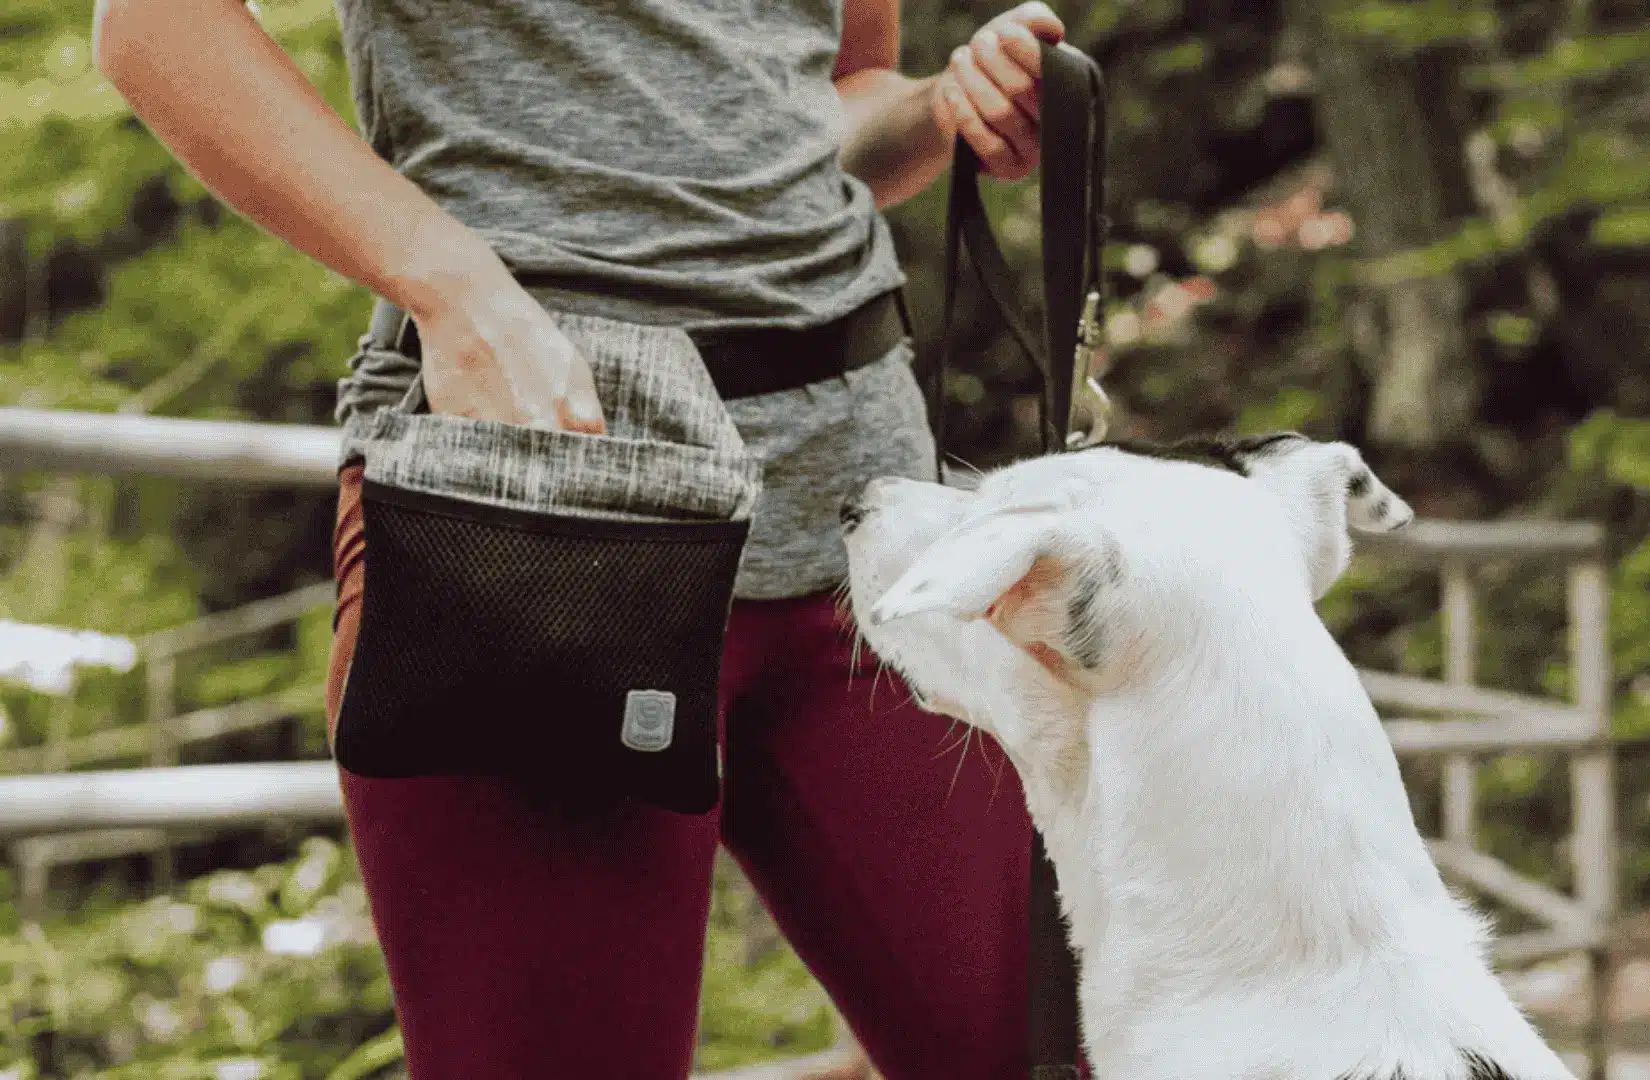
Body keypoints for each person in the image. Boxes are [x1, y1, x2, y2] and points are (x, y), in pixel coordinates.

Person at [90, 0, 1071, 1075]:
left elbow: (831, 100)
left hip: (868, 526)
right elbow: (154, 26)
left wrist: (942, 107)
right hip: (534, 522)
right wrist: (447, 284)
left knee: (1053, 1057)